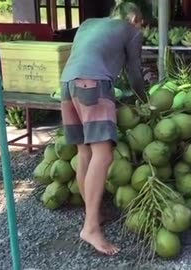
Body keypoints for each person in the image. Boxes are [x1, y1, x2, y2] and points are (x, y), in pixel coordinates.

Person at [59, 2, 146, 256]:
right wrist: (145, 101)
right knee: (104, 154)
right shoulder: (131, 30)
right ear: (132, 18)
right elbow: (135, 72)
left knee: (84, 152)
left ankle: (92, 215)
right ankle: (90, 228)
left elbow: (88, 55)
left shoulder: (87, 24)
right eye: (140, 22)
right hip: (93, 83)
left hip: (67, 83)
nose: (140, 27)